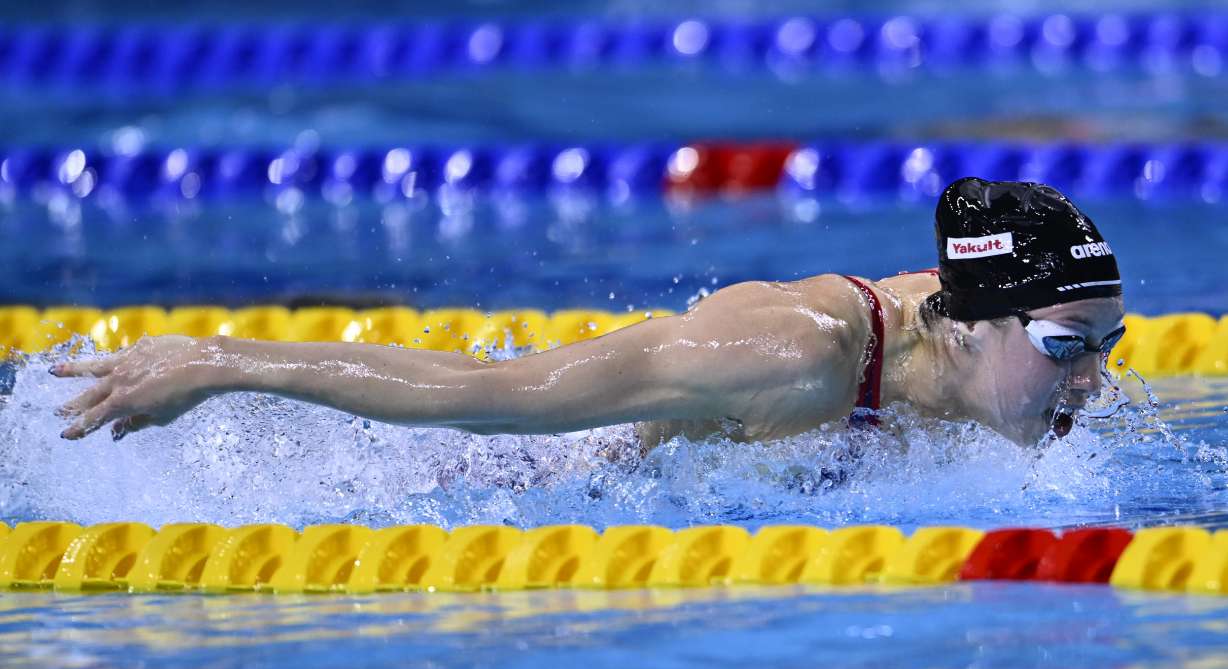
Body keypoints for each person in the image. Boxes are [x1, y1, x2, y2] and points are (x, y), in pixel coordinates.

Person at [52, 178, 1125, 448]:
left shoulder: (976, 358)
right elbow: (483, 395)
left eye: (1105, 347)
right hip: (525, 473)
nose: (1094, 382)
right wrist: (221, 360)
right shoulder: (792, 357)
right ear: (973, 325)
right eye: (1068, 350)